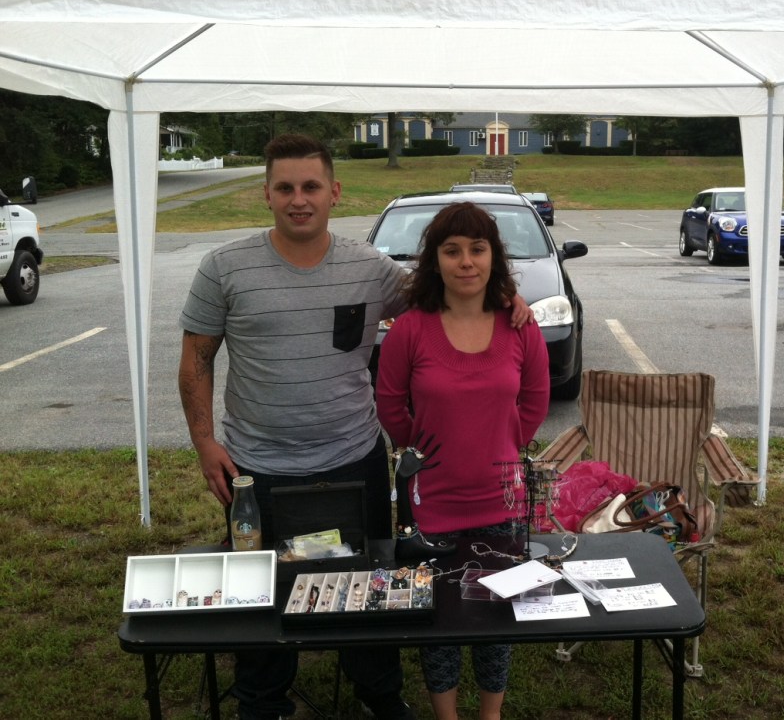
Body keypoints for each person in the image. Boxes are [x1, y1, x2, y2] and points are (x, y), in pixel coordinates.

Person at [177, 133, 415, 720]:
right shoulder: (223, 268)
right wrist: (205, 444)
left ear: (335, 191)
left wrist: (506, 300)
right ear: (267, 194)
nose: (298, 199)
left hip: (354, 459)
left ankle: (378, 693)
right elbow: (196, 360)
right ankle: (263, 700)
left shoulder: (370, 268)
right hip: (257, 468)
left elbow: (443, 297)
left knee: (367, 578)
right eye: (285, 188)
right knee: (261, 588)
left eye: (311, 186)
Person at [375, 201, 550, 720]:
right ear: (435, 260)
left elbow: (536, 398)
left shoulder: (520, 326)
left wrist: (505, 442)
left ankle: (490, 714)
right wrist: (422, 449)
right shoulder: (410, 329)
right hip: (432, 502)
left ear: (494, 257)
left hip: (502, 498)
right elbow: (389, 402)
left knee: (496, 613)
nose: (466, 261)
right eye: (452, 251)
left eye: (478, 249)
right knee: (440, 618)